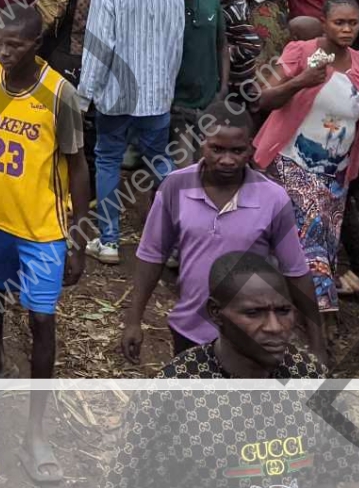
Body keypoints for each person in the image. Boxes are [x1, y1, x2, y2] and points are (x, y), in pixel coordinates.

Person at [99, 253, 349, 488]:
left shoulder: (310, 380)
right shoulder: (175, 392)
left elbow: (324, 487)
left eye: (283, 310)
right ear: (217, 315)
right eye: (254, 313)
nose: (275, 326)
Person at [0, 4, 89, 485]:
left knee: (42, 320)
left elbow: (78, 166)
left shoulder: (59, 95)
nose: (3, 51)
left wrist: (79, 236)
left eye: (15, 45)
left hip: (44, 226)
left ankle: (35, 433)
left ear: (37, 44)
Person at [121, 118, 323, 362]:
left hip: (250, 334)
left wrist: (316, 342)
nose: (227, 160)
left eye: (237, 151)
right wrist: (134, 320)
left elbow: (296, 271)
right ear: (201, 145)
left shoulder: (272, 197)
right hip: (189, 329)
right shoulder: (175, 186)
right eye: (217, 149)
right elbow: (152, 256)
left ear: (251, 149)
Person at [252, 0, 359, 315]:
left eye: (353, 23)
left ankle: (284, 302)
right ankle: (319, 311)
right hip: (295, 162)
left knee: (323, 238)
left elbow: (355, 102)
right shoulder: (303, 52)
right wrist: (301, 81)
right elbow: (264, 99)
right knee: (312, 234)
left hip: (336, 171)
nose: (347, 29)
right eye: (339, 23)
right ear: (324, 23)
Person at [80, 0, 186, 260]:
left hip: (117, 94)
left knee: (108, 159)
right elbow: (176, 42)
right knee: (160, 162)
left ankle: (109, 240)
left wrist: (84, 94)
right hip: (157, 94)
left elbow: (99, 46)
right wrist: (166, 83)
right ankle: (174, 242)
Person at [165, 0, 226, 152]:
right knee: (183, 157)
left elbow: (222, 45)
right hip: (176, 97)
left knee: (206, 154)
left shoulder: (210, 0)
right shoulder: (162, 3)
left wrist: (223, 86)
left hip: (208, 96)